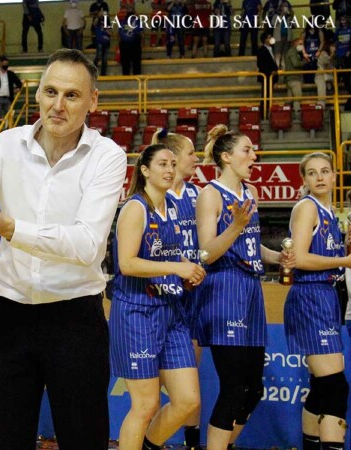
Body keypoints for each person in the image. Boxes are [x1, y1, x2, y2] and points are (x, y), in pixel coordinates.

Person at [0, 48, 128, 450]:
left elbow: (86, 244)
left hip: (75, 318)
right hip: (10, 316)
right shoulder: (6, 145)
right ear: (38, 93)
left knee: (84, 442)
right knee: (8, 443)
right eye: (50, 92)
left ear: (93, 101)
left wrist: (8, 227)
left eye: (72, 95)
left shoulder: (108, 157)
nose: (58, 105)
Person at [194, 125, 294, 450]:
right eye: (247, 150)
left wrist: (277, 257)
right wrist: (235, 226)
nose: (254, 155)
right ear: (226, 156)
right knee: (234, 387)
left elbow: (251, 245)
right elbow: (206, 252)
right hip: (224, 290)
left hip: (251, 290)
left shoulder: (249, 192)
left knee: (253, 390)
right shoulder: (210, 194)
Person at [110, 144, 203, 450]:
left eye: (173, 164)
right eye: (162, 164)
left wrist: (188, 270)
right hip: (137, 311)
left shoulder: (172, 206)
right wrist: (177, 268)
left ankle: (149, 445)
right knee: (145, 405)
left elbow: (169, 256)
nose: (170, 169)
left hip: (170, 309)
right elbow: (127, 263)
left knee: (188, 400)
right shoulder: (135, 208)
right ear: (145, 170)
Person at [285, 152, 350, 450]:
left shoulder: (330, 211)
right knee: (335, 387)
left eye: (325, 171)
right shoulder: (307, 207)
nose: (320, 177)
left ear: (335, 175)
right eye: (312, 173)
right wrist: (344, 261)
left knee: (322, 386)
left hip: (326, 295)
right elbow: (299, 258)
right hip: (310, 295)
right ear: (305, 179)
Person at [151, 128, 204, 449]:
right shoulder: (156, 197)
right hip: (162, 293)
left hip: (193, 294)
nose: (197, 158)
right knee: (154, 387)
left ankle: (191, 441)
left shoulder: (199, 194)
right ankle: (151, 438)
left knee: (189, 380)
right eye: (191, 153)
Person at [0, 56, 22, 122]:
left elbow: (19, 83)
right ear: (0, 64)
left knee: (9, 117)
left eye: (7, 64)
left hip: (8, 98)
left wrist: (16, 90)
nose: (6, 65)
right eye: (5, 64)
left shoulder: (11, 74)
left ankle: (9, 128)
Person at [257, 30, 279, 119]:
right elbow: (260, 64)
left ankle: (268, 113)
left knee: (269, 96)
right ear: (265, 40)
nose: (271, 39)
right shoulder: (261, 50)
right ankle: (263, 115)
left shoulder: (272, 49)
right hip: (266, 77)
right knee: (265, 96)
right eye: (269, 37)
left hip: (271, 77)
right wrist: (270, 72)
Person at [284, 38, 306, 113]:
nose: (302, 45)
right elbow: (296, 63)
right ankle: (297, 112)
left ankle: (285, 113)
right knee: (297, 97)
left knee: (289, 99)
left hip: (291, 78)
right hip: (294, 78)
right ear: (295, 44)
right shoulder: (292, 52)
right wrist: (304, 62)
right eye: (300, 44)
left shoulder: (294, 52)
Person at [119, 6, 142, 75]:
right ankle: (126, 78)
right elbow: (120, 32)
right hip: (125, 45)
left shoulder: (137, 21)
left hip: (134, 44)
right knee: (125, 64)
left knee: (136, 64)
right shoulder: (122, 21)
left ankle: (136, 77)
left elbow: (140, 32)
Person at [93, 11, 111, 76]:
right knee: (98, 56)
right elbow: (94, 24)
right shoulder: (98, 21)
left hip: (106, 42)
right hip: (99, 41)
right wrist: (98, 16)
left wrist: (106, 30)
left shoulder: (108, 22)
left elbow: (110, 33)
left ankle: (103, 73)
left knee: (105, 59)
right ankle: (93, 69)